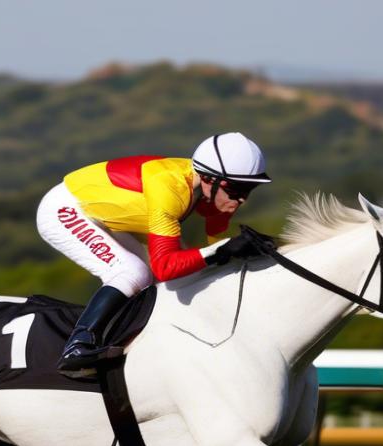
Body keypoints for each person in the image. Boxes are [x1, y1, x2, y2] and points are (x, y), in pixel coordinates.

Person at [36, 132, 273, 376]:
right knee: (133, 272)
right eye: (236, 189)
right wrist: (221, 250)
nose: (242, 199)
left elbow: (213, 254)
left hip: (106, 217)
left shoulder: (215, 194)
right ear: (207, 178)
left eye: (249, 189)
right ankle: (78, 344)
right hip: (65, 209)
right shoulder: (171, 190)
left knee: (175, 280)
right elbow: (166, 266)